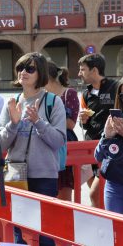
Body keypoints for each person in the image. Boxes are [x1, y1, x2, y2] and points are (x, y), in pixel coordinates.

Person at [0, 52, 66, 246]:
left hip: (44, 175)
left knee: (45, 231)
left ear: (40, 72)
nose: (23, 72)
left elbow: (58, 141)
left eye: (30, 69)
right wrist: (13, 123)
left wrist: (38, 121)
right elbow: (0, 144)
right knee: (18, 228)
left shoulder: (53, 102)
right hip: (15, 173)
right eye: (20, 68)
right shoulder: (12, 102)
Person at [95, 72, 123, 217]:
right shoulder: (117, 118)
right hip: (114, 184)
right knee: (116, 234)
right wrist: (107, 137)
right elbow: (98, 155)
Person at [78, 53, 118, 208]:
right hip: (91, 148)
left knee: (95, 193)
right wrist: (84, 120)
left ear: (94, 70)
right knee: (98, 195)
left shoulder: (116, 87)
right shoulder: (86, 93)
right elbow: (86, 124)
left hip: (110, 149)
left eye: (82, 70)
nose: (79, 73)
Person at [45, 62, 79, 201]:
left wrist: (43, 121)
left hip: (63, 146)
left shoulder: (68, 93)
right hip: (45, 147)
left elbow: (71, 123)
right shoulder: (41, 95)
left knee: (63, 194)